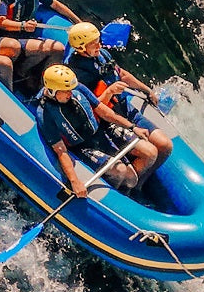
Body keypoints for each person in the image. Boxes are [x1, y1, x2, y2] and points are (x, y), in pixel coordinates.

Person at [34, 64, 158, 196]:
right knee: (120, 170)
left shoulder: (78, 88)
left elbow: (104, 112)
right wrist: (74, 181)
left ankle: (127, 194)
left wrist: (132, 127)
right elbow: (61, 151)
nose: (70, 93)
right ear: (53, 91)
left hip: (100, 133)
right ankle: (112, 197)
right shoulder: (45, 113)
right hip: (82, 146)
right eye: (66, 91)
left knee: (132, 180)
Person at [64, 22, 173, 168]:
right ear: (81, 47)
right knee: (149, 152)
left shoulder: (102, 54)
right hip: (109, 120)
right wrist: (109, 92)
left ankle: (146, 176)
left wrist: (147, 89)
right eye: (93, 43)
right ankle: (135, 184)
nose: (99, 45)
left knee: (165, 145)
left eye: (98, 41)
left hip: (125, 109)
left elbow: (121, 73)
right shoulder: (78, 73)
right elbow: (91, 109)